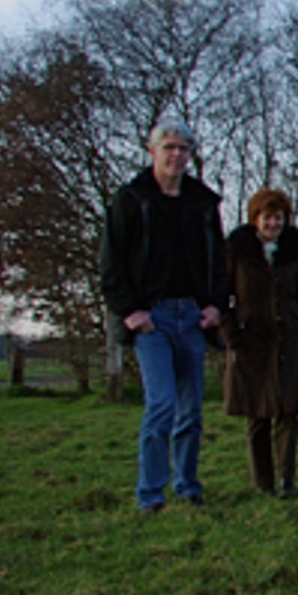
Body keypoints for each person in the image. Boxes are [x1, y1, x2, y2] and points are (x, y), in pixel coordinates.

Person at [100, 119, 228, 513]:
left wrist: (215, 306)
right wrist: (129, 311)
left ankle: (188, 487)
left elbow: (218, 261)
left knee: (192, 409)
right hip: (151, 318)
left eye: (184, 149)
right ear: (151, 151)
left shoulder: (203, 204)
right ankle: (150, 495)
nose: (176, 156)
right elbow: (111, 262)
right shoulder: (131, 200)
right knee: (162, 405)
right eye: (169, 147)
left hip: (191, 314)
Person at [223, 188, 298, 499]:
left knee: (289, 412)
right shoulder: (238, 248)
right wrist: (231, 335)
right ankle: (262, 483)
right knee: (258, 413)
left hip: (289, 338)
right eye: (268, 218)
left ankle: (287, 479)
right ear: (256, 219)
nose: (273, 224)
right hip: (252, 340)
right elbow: (222, 296)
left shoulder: (294, 247)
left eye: (278, 218)